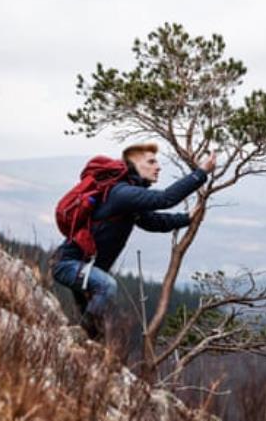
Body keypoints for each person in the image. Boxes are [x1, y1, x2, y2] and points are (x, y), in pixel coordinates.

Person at [51, 143, 216, 339]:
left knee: (96, 333)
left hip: (83, 267)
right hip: (68, 264)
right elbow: (165, 198)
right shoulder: (122, 194)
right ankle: (78, 340)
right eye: (151, 161)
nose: (158, 167)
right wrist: (201, 173)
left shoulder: (128, 199)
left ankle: (81, 347)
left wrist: (185, 219)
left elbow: (152, 221)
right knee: (106, 287)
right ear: (134, 164)